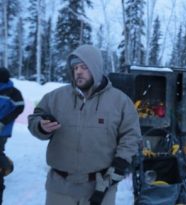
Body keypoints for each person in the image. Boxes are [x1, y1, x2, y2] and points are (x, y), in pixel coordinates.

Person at [28, 44, 142, 205]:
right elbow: (34, 118)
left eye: (83, 67)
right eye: (75, 68)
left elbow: (131, 136)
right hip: (60, 188)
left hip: (100, 188)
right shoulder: (55, 97)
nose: (78, 72)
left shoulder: (120, 101)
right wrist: (41, 126)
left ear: (95, 68)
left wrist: (119, 166)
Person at [0, 67, 25, 204]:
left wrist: (4, 121)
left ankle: (7, 166)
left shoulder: (13, 92)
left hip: (2, 130)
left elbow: (20, 108)